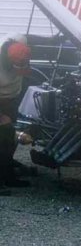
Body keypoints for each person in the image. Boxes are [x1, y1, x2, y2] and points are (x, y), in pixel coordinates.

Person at [0, 33, 32, 194]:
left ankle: (8, 176)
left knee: (10, 141)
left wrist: (53, 40)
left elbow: (31, 37)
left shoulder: (19, 42)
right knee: (2, 137)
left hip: (9, 100)